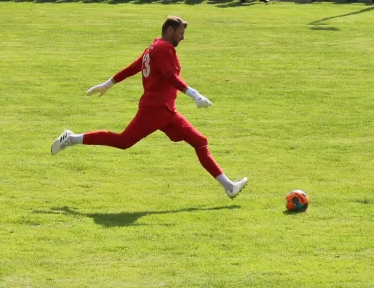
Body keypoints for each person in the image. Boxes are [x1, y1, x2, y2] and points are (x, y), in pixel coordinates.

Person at [51, 16, 248, 200]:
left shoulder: (154, 47)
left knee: (200, 141)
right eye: (180, 33)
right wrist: (194, 94)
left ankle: (229, 187)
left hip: (166, 110)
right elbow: (171, 76)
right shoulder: (163, 49)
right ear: (170, 30)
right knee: (123, 141)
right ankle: (71, 138)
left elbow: (133, 68)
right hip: (156, 109)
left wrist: (108, 84)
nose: (183, 37)